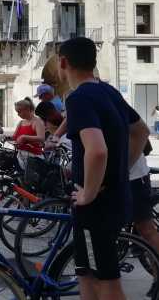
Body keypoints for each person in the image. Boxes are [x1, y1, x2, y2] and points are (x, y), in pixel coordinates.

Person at [58, 37, 150, 300]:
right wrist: (120, 170)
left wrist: (89, 191)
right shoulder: (108, 92)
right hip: (113, 197)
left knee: (106, 280)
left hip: (95, 206)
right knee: (86, 272)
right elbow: (141, 131)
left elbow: (97, 150)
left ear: (64, 63)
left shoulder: (78, 99)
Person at [4, 98, 46, 171]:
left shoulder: (37, 122)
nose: (18, 114)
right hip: (20, 156)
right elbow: (15, 137)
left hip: (33, 156)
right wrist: (6, 137)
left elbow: (41, 138)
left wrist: (24, 137)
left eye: (19, 112)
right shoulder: (21, 122)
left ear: (27, 109)